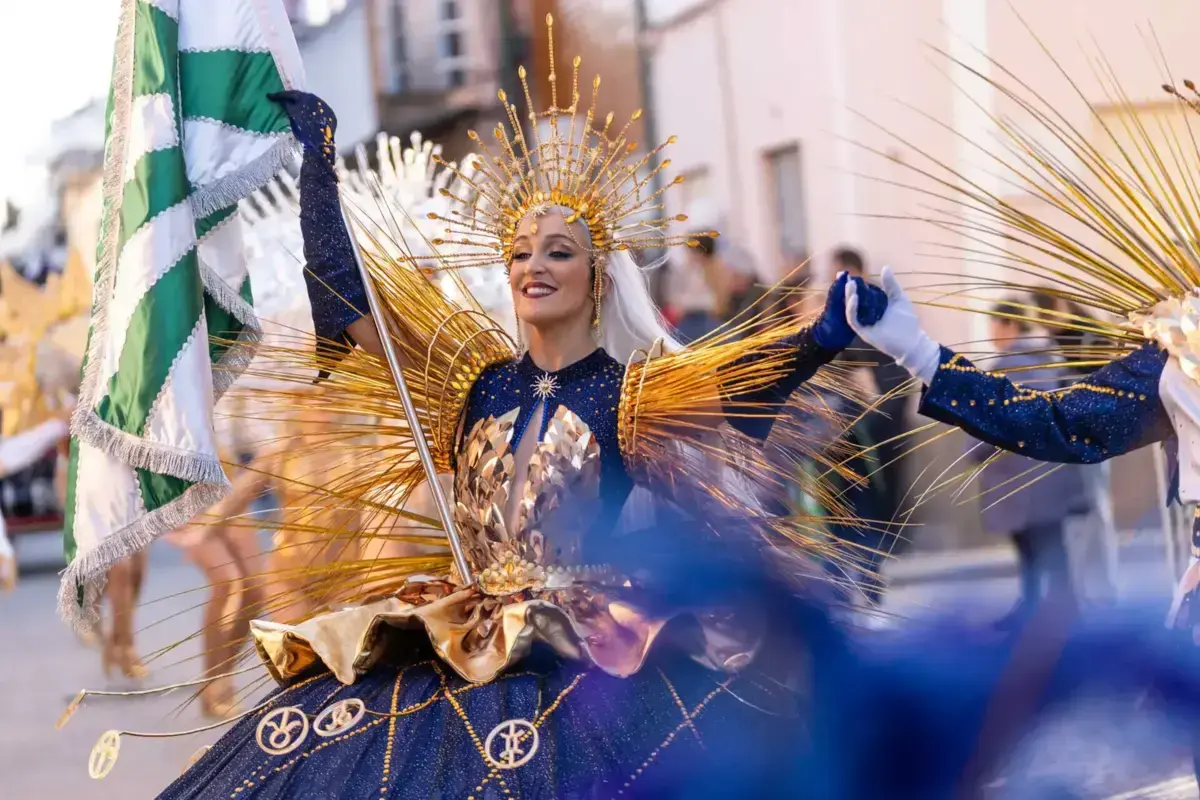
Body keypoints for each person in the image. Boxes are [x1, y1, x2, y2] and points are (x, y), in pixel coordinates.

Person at [155, 25, 891, 795]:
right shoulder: (472, 383)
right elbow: (350, 308)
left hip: (587, 660)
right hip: (460, 640)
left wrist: (825, 335)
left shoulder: (629, 395)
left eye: (559, 252)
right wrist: (319, 170)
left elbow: (739, 384)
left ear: (597, 277)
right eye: (520, 253)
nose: (534, 266)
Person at [966, 303, 1089, 629]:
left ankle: (1038, 610)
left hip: (1018, 478)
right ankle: (1060, 606)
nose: (991, 332)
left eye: (994, 324)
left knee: (1032, 547)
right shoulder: (1046, 361)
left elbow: (992, 422)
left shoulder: (1007, 367)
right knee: (1050, 544)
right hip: (1049, 473)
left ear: (1008, 326)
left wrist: (974, 449)